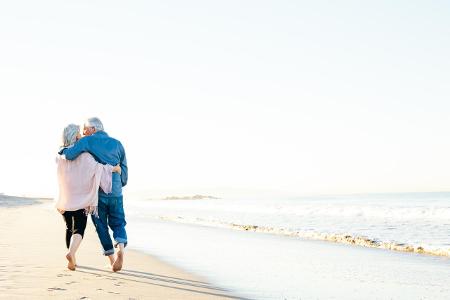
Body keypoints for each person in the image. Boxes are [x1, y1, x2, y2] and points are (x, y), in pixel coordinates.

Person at [59, 117, 128, 272]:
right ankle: (121, 249)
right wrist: (120, 183)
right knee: (118, 223)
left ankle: (112, 259)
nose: (83, 132)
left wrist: (62, 149)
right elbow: (124, 168)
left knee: (101, 226)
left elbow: (69, 155)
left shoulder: (87, 141)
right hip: (116, 192)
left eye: (85, 129)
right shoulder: (118, 143)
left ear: (93, 129)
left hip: (97, 193)